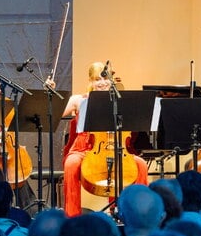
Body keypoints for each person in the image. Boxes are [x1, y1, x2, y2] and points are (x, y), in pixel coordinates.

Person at [61, 61, 148, 217]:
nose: (101, 83)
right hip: (84, 149)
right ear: (90, 81)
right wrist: (51, 91)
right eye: (97, 79)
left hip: (114, 148)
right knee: (71, 164)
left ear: (111, 80)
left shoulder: (120, 102)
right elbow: (53, 113)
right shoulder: (79, 100)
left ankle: (139, 214)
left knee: (140, 164)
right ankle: (72, 216)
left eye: (105, 79)